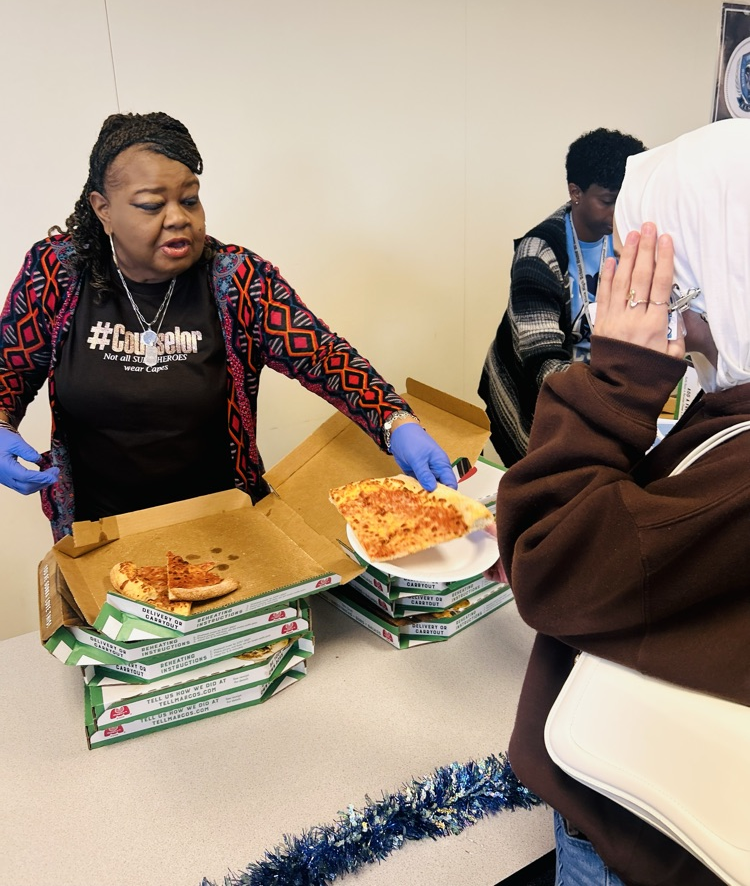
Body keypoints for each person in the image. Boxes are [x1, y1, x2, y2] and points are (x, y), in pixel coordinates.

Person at [494, 119, 750, 885]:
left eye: (677, 285)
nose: (673, 314)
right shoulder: (539, 247)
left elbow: (553, 567)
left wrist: (615, 383)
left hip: (634, 833)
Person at [0, 112, 456, 539]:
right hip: (99, 531)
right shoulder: (58, 272)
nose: (178, 217)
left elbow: (323, 357)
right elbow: (8, 369)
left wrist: (394, 421)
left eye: (190, 199)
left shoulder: (237, 280)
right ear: (103, 209)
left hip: (227, 527)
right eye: (151, 205)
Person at [478, 127, 647, 467]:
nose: (620, 211)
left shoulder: (626, 236)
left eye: (627, 199)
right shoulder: (539, 253)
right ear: (576, 192)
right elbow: (543, 366)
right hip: (532, 398)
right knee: (540, 489)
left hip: (590, 389)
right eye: (609, 201)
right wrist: (613, 396)